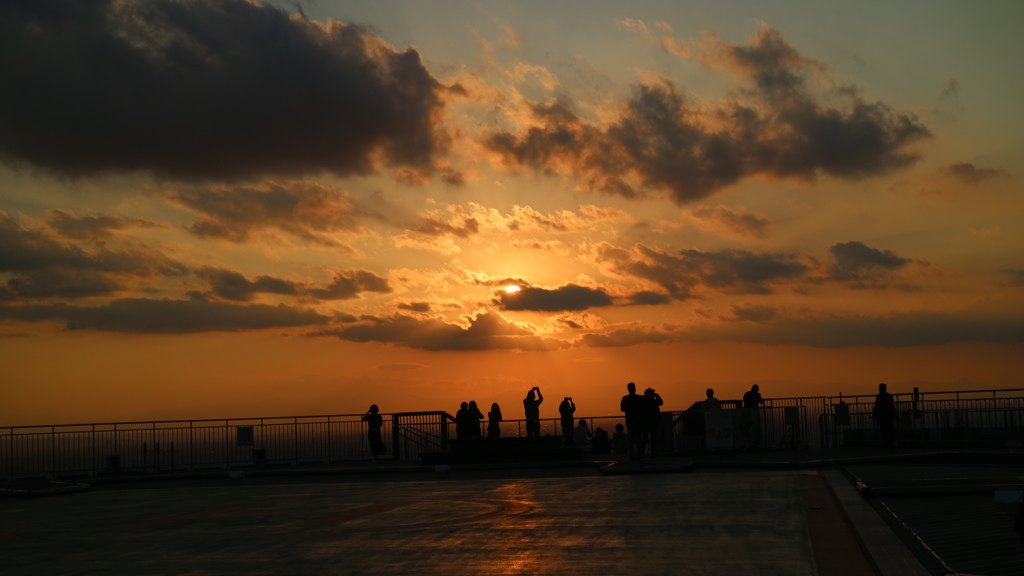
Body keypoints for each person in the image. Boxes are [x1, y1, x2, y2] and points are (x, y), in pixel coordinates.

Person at [620, 382, 646, 460]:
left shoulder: (625, 398)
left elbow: (622, 409)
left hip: (629, 420)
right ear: (635, 388)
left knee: (631, 438)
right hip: (638, 420)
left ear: (628, 389)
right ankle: (639, 454)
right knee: (638, 438)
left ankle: (632, 454)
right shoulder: (640, 398)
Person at [872, 383, 897, 448]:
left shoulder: (879, 396)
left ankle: (887, 443)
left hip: (882, 416)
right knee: (888, 429)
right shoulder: (889, 396)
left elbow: (876, 406)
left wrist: (874, 413)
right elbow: (892, 406)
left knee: (884, 430)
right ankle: (889, 443)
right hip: (887, 416)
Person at [643, 388, 664, 458]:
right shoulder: (653, 401)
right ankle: (653, 452)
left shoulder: (644, 401)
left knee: (644, 438)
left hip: (645, 421)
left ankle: (642, 452)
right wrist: (656, 395)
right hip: (654, 421)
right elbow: (661, 402)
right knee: (653, 438)